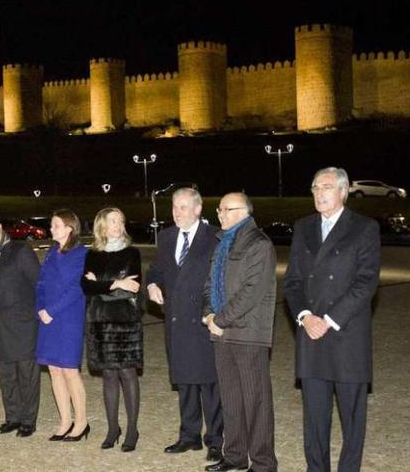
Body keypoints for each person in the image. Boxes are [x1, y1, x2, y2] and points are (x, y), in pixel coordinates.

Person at [284, 167, 381, 472]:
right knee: (314, 417)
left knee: (352, 419)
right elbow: (293, 281)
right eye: (314, 188)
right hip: (310, 334)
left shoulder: (364, 228)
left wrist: (329, 319)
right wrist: (304, 316)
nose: (319, 193)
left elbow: (366, 281)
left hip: (346, 335)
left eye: (325, 187)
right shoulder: (303, 227)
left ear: (343, 191)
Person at [146, 188, 224, 462]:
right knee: (185, 382)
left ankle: (216, 439)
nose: (177, 213)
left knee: (210, 384)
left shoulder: (215, 237)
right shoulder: (166, 237)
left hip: (203, 321)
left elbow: (221, 281)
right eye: (174, 208)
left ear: (197, 209)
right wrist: (152, 283)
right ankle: (189, 435)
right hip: (177, 323)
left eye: (182, 207)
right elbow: (157, 269)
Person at [203, 192, 278, 472]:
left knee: (256, 401)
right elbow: (210, 282)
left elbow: (251, 292)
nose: (219, 214)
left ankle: (262, 463)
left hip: (247, 333)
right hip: (221, 332)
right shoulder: (223, 243)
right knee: (231, 399)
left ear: (244, 211)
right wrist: (209, 314)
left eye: (225, 209)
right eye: (218, 209)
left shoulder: (258, 244)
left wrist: (220, 319)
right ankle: (234, 457)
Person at [81, 207, 143, 452]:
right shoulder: (92, 255)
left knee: (127, 374)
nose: (117, 225)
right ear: (102, 226)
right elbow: (86, 286)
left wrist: (102, 285)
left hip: (125, 319)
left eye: (120, 220)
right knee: (108, 375)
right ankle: (112, 428)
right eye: (112, 221)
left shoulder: (132, 253)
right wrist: (116, 282)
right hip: (100, 320)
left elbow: (133, 288)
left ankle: (131, 430)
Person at [0, 216, 41, 438]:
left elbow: (38, 283)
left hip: (23, 323)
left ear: (1, 227)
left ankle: (28, 420)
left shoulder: (20, 251)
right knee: (6, 374)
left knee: (27, 374)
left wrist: (39, 315)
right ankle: (12, 417)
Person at [35, 209, 90, 442]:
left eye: (56, 225)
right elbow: (41, 283)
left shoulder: (81, 254)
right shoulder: (50, 253)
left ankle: (81, 421)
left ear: (69, 227)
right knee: (54, 370)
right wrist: (40, 308)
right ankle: (65, 420)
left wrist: (52, 310)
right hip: (47, 318)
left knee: (69, 370)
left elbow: (77, 287)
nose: (51, 228)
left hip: (68, 318)